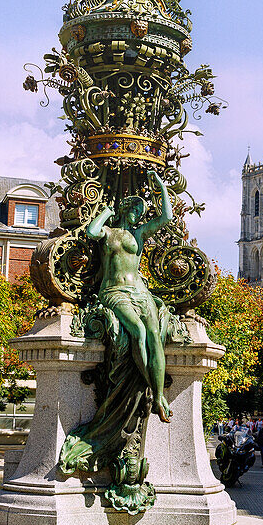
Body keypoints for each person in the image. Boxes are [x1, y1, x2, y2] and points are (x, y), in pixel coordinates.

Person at [86, 170, 174, 423]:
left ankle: (158, 396)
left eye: (141, 211)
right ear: (125, 209)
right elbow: (92, 232)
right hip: (114, 291)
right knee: (138, 331)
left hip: (139, 292)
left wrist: (161, 188)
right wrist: (105, 213)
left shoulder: (139, 234)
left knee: (155, 336)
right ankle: (152, 387)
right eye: (136, 209)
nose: (139, 214)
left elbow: (166, 217)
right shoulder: (109, 233)